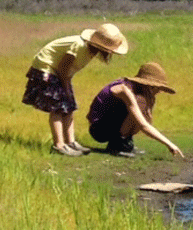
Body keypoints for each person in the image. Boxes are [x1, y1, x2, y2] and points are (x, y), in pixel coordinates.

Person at [22, 23, 128, 156]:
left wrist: (67, 86)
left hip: (60, 73)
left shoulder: (91, 51)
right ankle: (59, 146)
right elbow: (63, 68)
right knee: (58, 108)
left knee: (69, 107)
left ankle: (70, 142)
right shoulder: (79, 46)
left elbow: (68, 69)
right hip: (46, 69)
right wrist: (66, 86)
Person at [86, 62, 184, 159]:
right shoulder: (125, 91)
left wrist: (149, 103)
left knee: (140, 106)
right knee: (138, 105)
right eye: (158, 88)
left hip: (109, 125)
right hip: (99, 129)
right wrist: (169, 144)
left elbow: (147, 121)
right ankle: (118, 145)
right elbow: (143, 125)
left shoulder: (142, 95)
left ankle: (125, 143)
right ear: (149, 86)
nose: (159, 91)